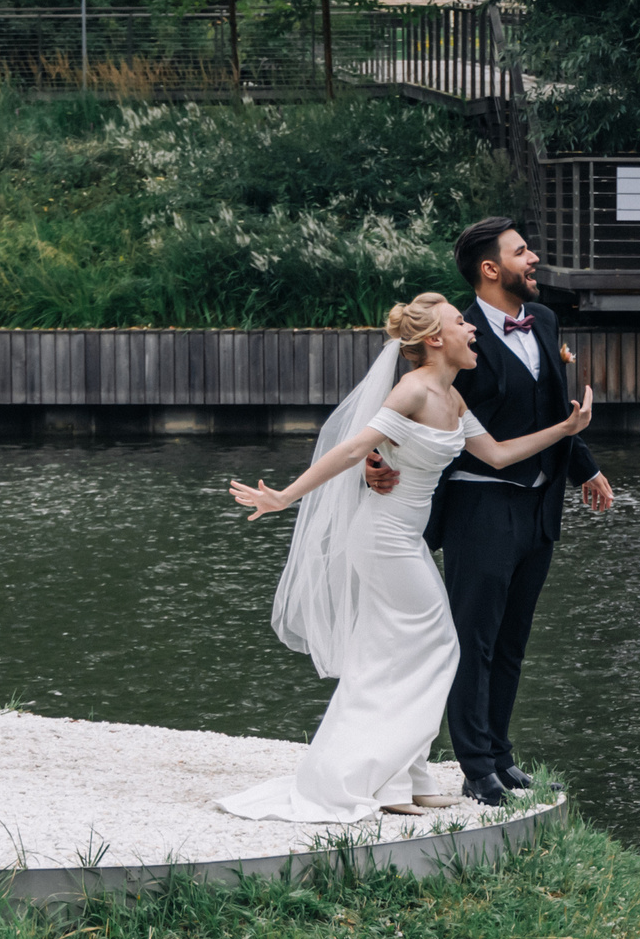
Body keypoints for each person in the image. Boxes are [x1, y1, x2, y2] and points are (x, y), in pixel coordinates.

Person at [216, 291, 594, 823]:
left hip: (406, 538)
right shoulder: (413, 391)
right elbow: (352, 448)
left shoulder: (453, 398)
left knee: (395, 653)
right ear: (435, 340)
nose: (473, 330)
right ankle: (385, 776)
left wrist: (566, 430)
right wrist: (283, 497)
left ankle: (402, 777)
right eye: (462, 323)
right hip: (382, 538)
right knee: (439, 644)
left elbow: (499, 455)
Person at [362, 219, 614, 803]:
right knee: (472, 639)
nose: (535, 259)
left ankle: (501, 752)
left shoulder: (545, 321)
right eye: (522, 251)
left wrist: (587, 468)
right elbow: (408, 404)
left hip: (540, 506)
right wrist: (375, 458)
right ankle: (475, 765)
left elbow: (554, 409)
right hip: (478, 505)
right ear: (490, 269)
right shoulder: (456, 334)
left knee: (512, 640)